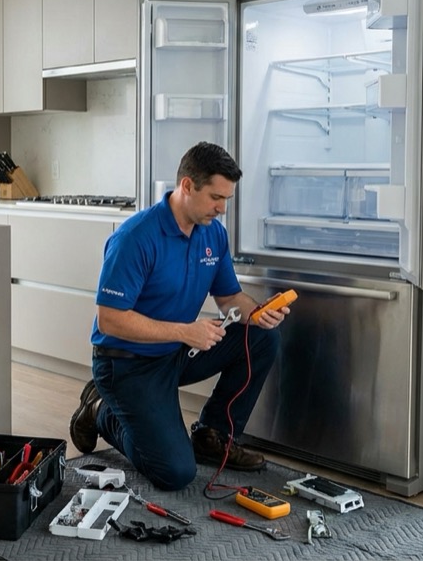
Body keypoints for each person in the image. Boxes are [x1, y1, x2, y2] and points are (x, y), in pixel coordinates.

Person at [68, 141, 288, 491]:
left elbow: (229, 298)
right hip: (126, 364)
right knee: (176, 473)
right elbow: (110, 319)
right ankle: (100, 410)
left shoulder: (213, 234)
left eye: (227, 199)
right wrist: (185, 332)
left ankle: (212, 436)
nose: (222, 208)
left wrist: (259, 312)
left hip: (176, 353)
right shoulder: (135, 238)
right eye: (216, 197)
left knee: (261, 337)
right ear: (187, 185)